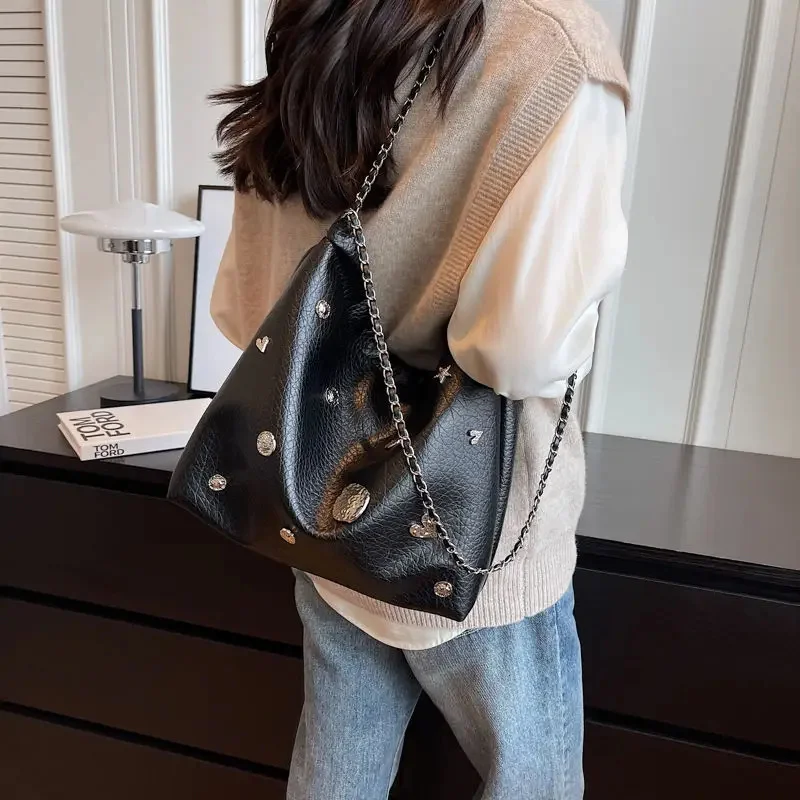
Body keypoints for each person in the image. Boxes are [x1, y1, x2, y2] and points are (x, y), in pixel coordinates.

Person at [209, 1, 629, 797]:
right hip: (477, 533)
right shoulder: (553, 43)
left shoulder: (322, 16)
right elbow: (520, 353)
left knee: (336, 778)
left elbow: (243, 310)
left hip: (324, 504)